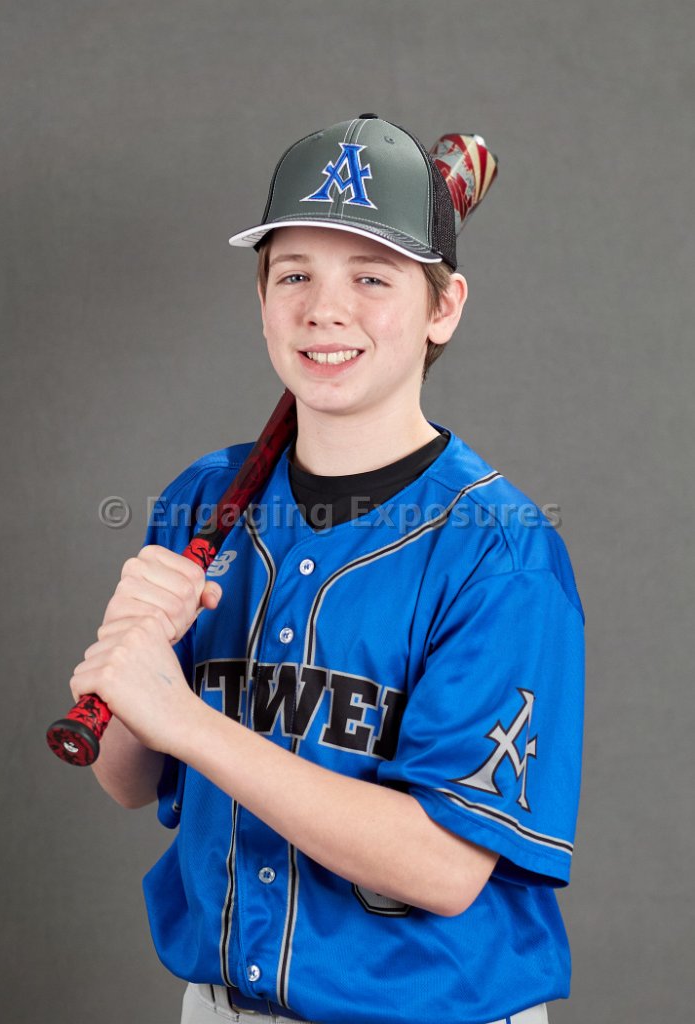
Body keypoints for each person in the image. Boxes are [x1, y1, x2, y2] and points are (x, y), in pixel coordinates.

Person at [70, 114, 585, 1024]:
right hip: (217, 1006)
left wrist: (185, 718)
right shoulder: (202, 499)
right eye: (294, 274)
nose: (323, 310)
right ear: (262, 296)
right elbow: (129, 779)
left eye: (371, 277)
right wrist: (123, 662)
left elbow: (441, 866)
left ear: (442, 308)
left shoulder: (499, 552)